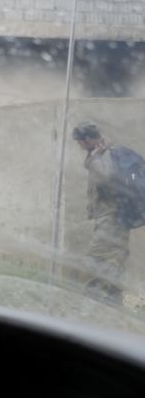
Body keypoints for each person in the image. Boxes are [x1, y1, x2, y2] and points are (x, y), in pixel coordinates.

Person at [72, 122, 138, 304]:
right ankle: (113, 297)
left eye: (80, 142)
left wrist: (92, 160)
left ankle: (91, 296)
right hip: (115, 214)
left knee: (97, 255)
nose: (79, 146)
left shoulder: (106, 153)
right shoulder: (103, 151)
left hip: (111, 215)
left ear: (87, 140)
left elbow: (107, 177)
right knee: (115, 255)